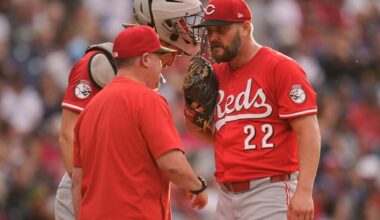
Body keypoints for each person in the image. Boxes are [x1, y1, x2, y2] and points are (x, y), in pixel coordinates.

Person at [55, 0, 204, 219]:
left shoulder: (142, 79)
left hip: (114, 189)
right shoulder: (101, 62)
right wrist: (91, 188)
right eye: (175, 53)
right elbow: (68, 136)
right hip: (91, 187)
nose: (174, 60)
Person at [186, 0, 321, 219]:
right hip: (226, 195)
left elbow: (308, 130)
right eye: (209, 31)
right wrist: (191, 112)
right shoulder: (215, 75)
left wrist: (305, 191)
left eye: (221, 29)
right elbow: (204, 132)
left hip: (269, 191)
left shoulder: (281, 68)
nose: (213, 38)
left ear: (246, 28)